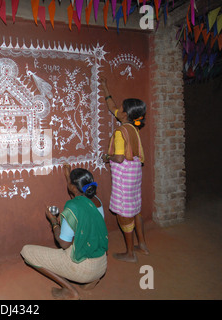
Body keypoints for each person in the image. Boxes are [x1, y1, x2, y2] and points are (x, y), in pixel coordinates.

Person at [20, 166, 108, 300]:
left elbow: (64, 244)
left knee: (27, 251)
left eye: (69, 182)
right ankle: (91, 281)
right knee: (79, 238)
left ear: (72, 187)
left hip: (83, 268)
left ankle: (70, 290)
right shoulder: (96, 201)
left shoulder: (72, 207)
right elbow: (77, 194)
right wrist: (69, 175)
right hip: (101, 265)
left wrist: (54, 222)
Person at [99, 77, 149, 263]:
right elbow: (112, 108)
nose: (118, 109)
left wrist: (107, 157)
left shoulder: (120, 132)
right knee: (135, 208)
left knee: (123, 214)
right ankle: (142, 245)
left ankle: (130, 253)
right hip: (135, 173)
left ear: (126, 114)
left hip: (124, 176)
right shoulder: (132, 128)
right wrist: (105, 87)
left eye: (122, 108)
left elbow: (119, 158)